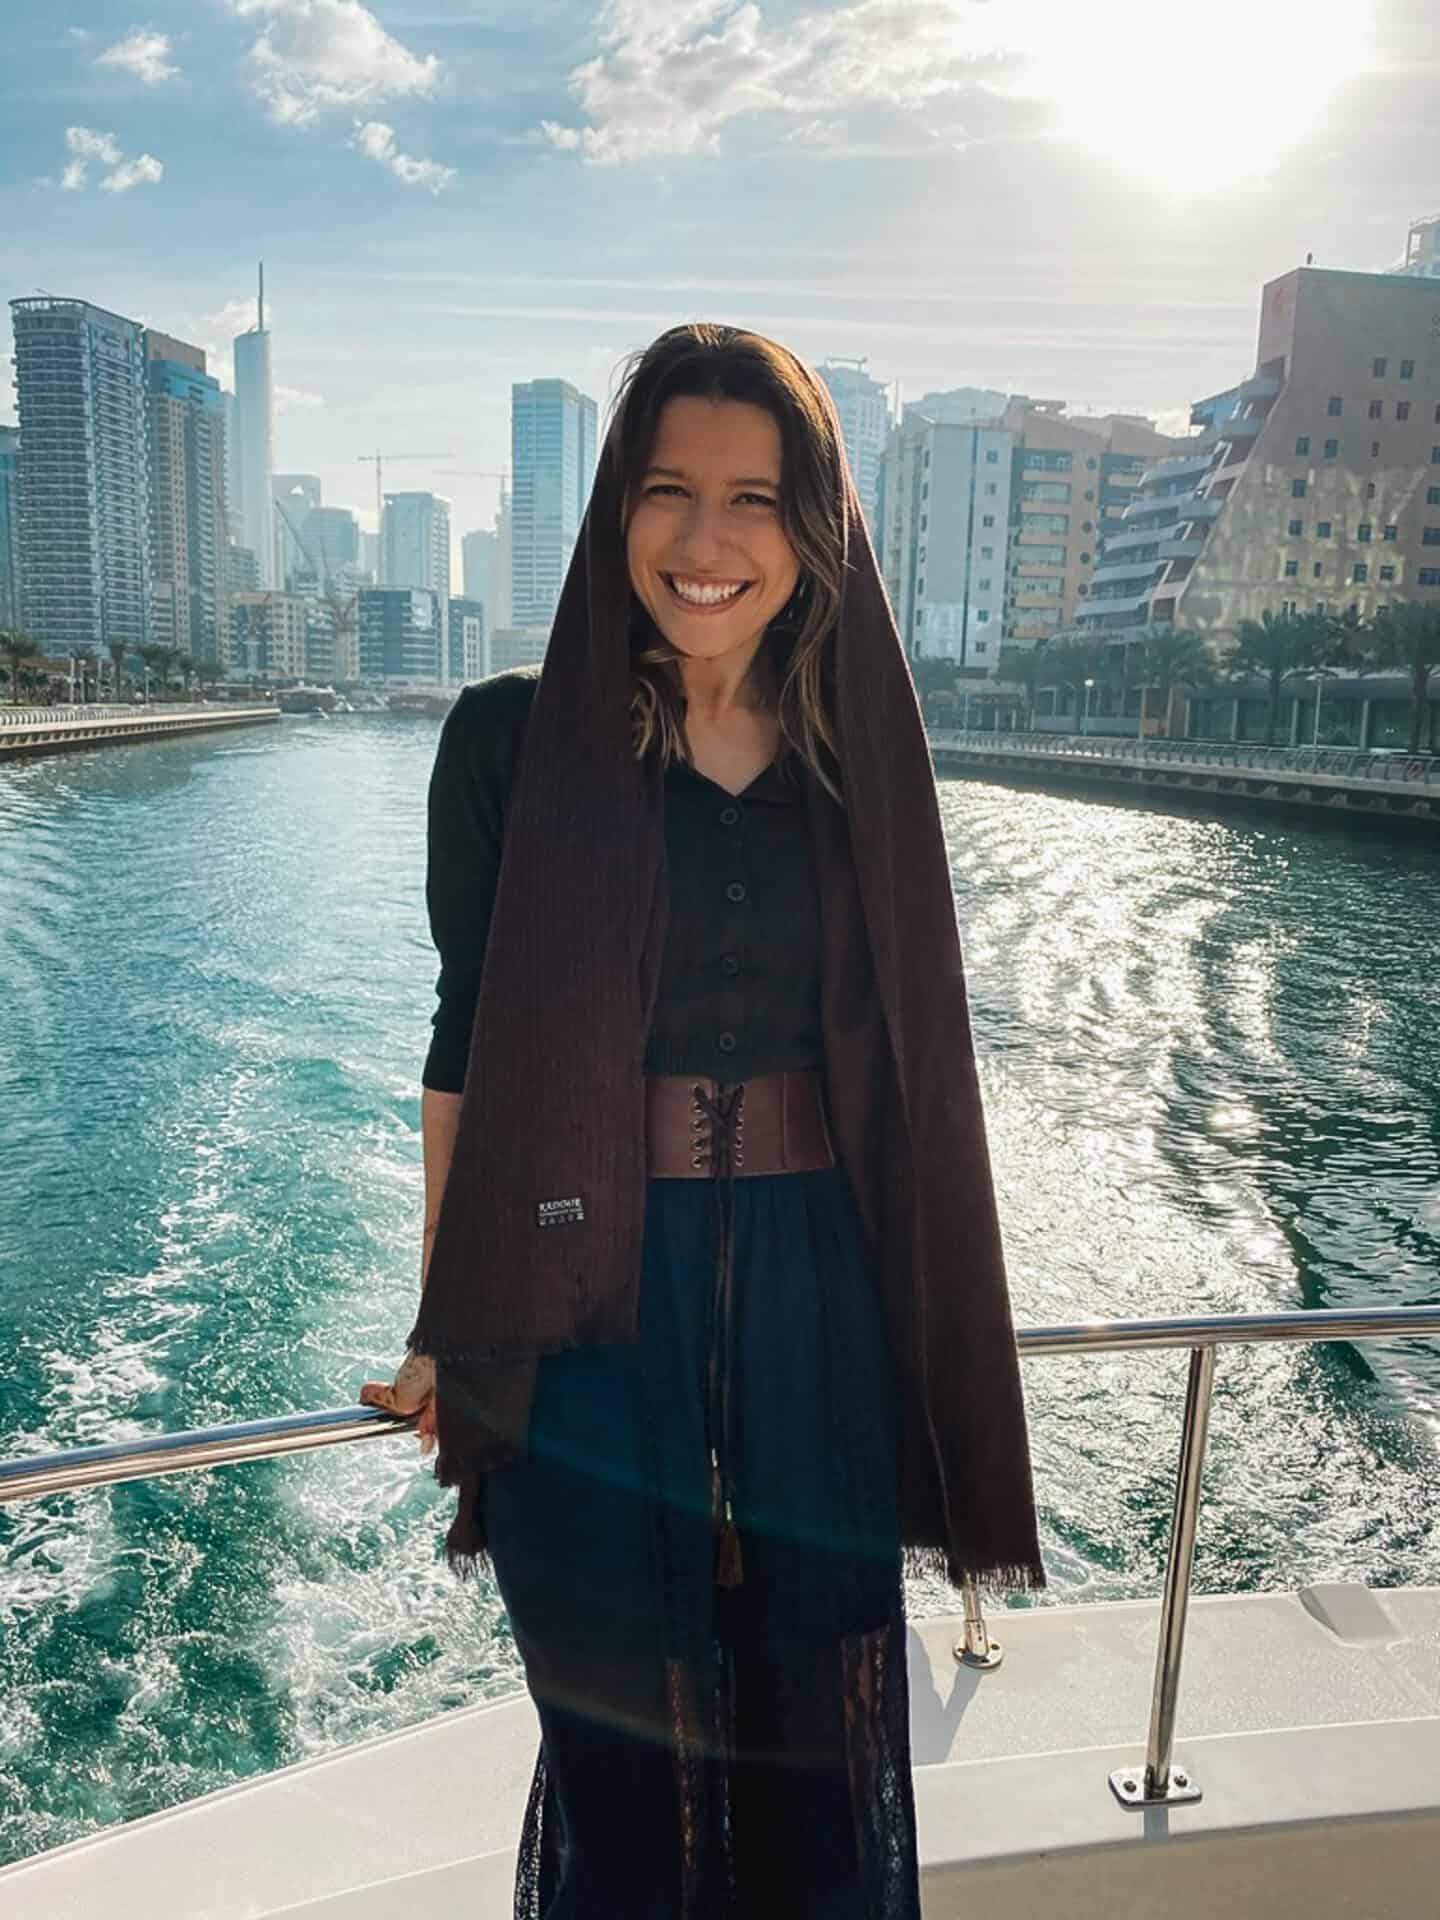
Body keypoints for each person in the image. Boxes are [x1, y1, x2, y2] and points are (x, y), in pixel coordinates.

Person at [362, 322, 1045, 1917]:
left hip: (817, 1303)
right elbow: (466, 1040)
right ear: (617, 511)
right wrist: (444, 1322)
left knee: (820, 1759)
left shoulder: (853, 756)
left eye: (755, 497)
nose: (709, 540)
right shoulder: (512, 741)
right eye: (669, 491)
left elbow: (907, 1059)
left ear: (817, 534)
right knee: (625, 1781)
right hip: (586, 1306)